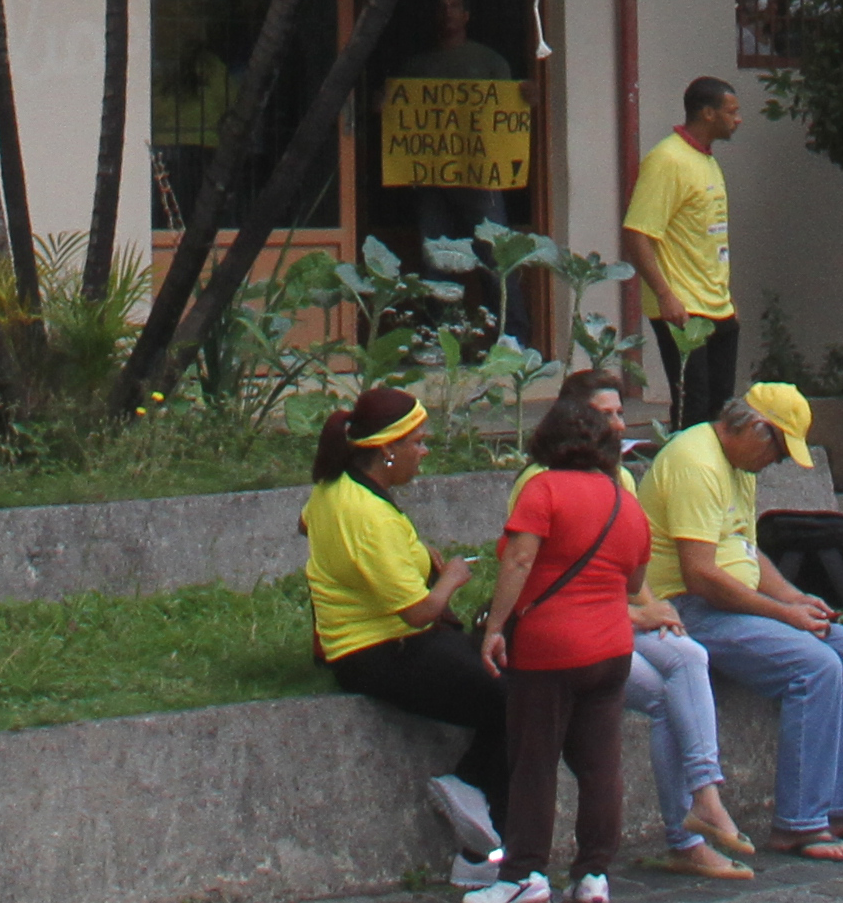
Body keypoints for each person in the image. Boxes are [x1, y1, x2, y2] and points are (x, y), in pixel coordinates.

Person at [644, 384, 843, 862]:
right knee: (816, 665)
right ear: (756, 429)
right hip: (687, 609)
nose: (776, 462)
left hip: (732, 605)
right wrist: (784, 614)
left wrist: (795, 597)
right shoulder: (696, 463)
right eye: (778, 450)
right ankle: (799, 825)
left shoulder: (739, 465)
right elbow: (700, 576)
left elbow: (745, 550)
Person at [550, 370, 749, 880]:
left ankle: (705, 796)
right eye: (606, 414)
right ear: (575, 419)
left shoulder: (621, 479)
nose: (619, 424)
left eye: (621, 413)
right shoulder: (543, 482)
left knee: (690, 654)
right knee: (664, 696)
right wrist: (640, 614)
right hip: (576, 630)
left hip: (618, 618)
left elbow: (629, 571)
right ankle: (687, 835)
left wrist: (657, 608)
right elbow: (552, 591)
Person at [306, 385, 510, 866]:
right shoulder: (369, 516)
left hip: (375, 645)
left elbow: (312, 526)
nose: (425, 452)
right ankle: (471, 796)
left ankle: (483, 850)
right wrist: (452, 577)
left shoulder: (333, 489)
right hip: (379, 651)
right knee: (516, 699)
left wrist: (416, 556)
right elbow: (419, 613)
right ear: (388, 451)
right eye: (417, 442)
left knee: (518, 675)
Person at [481, 393, 656, 903]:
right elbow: (634, 580)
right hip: (612, 650)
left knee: (534, 764)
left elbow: (518, 561)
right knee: (601, 767)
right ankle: (594, 874)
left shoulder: (543, 490)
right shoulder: (625, 501)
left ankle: (523, 875)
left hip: (549, 649)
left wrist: (495, 627)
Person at [625, 79, 742, 428]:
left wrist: (726, 299)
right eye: (731, 112)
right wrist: (665, 295)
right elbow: (637, 234)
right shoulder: (667, 160)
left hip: (717, 304)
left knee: (721, 409)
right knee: (693, 407)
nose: (738, 120)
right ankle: (682, 463)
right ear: (708, 113)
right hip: (683, 308)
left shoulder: (706, 160)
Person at [401, 0, 522, 286]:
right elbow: (400, 111)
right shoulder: (417, 68)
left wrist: (526, 98)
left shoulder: (490, 62)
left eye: (454, 5)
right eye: (442, 6)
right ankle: (438, 317)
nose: (448, 12)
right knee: (435, 257)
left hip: (481, 175)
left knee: (495, 255)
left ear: (466, 15)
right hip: (433, 177)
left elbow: (508, 111)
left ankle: (508, 317)